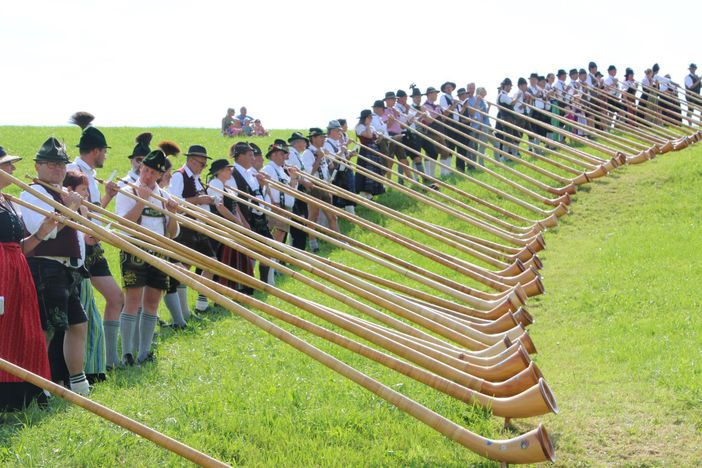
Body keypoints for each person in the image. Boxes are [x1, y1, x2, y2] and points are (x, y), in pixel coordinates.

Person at [19, 137, 90, 395]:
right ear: (38, 166)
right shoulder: (32, 193)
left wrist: (74, 207)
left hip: (68, 269)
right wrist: (71, 207)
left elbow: (79, 231)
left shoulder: (63, 193)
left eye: (61, 164)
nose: (57, 169)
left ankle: (77, 382)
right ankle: (42, 385)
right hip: (46, 266)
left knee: (78, 323)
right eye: (50, 164)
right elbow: (46, 232)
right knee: (47, 327)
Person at [66, 112, 124, 372]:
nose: (105, 157)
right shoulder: (74, 172)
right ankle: (90, 364)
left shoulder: (88, 173)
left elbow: (91, 212)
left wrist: (108, 196)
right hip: (80, 246)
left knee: (115, 298)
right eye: (104, 153)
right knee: (86, 308)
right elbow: (73, 212)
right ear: (97, 151)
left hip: (93, 244)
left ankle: (108, 358)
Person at [0, 148, 53, 410]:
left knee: (25, 329)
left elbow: (19, 246)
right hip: (1, 273)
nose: (13, 170)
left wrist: (42, 233)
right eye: (7, 165)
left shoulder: (8, 200)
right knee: (3, 331)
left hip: (17, 269)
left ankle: (25, 392)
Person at [115, 149, 179, 365]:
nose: (147, 175)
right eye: (145, 170)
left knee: (152, 302)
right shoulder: (127, 191)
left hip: (158, 252)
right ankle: (127, 353)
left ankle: (144, 352)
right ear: (140, 168)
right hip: (133, 250)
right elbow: (123, 226)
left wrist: (172, 214)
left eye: (153, 173)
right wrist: (141, 202)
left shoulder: (165, 196)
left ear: (160, 175)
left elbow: (173, 232)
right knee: (132, 301)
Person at [62, 170, 105, 383]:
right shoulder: (66, 206)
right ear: (70, 190)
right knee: (79, 324)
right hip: (71, 271)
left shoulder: (82, 207)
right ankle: (81, 373)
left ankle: (94, 369)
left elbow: (87, 238)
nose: (86, 194)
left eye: (87, 189)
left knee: (91, 322)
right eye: (83, 189)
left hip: (82, 267)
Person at [169, 145, 217, 313]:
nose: (203, 167)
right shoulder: (178, 176)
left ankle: (201, 302)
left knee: (211, 263)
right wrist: (199, 200)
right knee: (184, 268)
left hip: (199, 227)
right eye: (201, 163)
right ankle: (183, 311)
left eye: (204, 164)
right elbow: (175, 202)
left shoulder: (196, 177)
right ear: (190, 160)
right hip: (185, 226)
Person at [206, 159, 254, 295]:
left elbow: (235, 207)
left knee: (238, 255)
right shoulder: (215, 184)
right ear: (219, 171)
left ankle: (240, 287)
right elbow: (219, 207)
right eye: (227, 169)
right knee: (226, 257)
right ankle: (225, 289)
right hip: (222, 225)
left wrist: (244, 223)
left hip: (231, 224)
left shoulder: (225, 184)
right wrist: (235, 222)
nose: (230, 171)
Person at [230, 142, 275, 284]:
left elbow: (256, 195)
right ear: (240, 156)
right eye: (250, 155)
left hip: (258, 218)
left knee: (267, 250)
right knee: (248, 253)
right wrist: (242, 222)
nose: (253, 158)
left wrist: (262, 186)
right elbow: (234, 202)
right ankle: (248, 284)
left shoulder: (251, 173)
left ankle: (264, 283)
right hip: (247, 219)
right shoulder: (233, 174)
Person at [302, 127, 339, 252]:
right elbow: (309, 173)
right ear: (313, 138)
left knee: (332, 216)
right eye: (321, 137)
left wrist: (329, 163)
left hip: (324, 184)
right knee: (313, 215)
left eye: (324, 137)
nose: (323, 139)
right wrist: (318, 158)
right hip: (314, 187)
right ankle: (313, 244)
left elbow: (326, 168)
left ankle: (338, 242)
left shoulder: (322, 150)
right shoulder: (307, 153)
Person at [261, 142, 299, 242]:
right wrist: (273, 202)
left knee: (281, 233)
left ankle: (274, 256)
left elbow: (289, 187)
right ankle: (271, 255)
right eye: (281, 154)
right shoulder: (268, 168)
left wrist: (294, 178)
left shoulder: (281, 170)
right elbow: (266, 186)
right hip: (275, 207)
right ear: (273, 155)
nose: (284, 157)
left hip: (284, 208)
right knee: (273, 232)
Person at [324, 120, 356, 214]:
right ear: (332, 131)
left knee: (349, 193)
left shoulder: (336, 142)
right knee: (336, 195)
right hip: (335, 173)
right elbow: (332, 158)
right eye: (338, 131)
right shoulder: (326, 143)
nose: (340, 133)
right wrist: (342, 150)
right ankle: (336, 216)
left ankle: (351, 215)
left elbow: (342, 157)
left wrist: (349, 155)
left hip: (343, 170)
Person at [422, 86, 451, 175]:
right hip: (431, 132)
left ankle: (444, 174)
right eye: (434, 93)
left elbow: (442, 118)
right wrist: (438, 111)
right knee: (431, 154)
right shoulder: (424, 106)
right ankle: (429, 174)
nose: (436, 95)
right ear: (429, 95)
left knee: (445, 152)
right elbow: (429, 119)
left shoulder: (436, 106)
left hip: (439, 131)